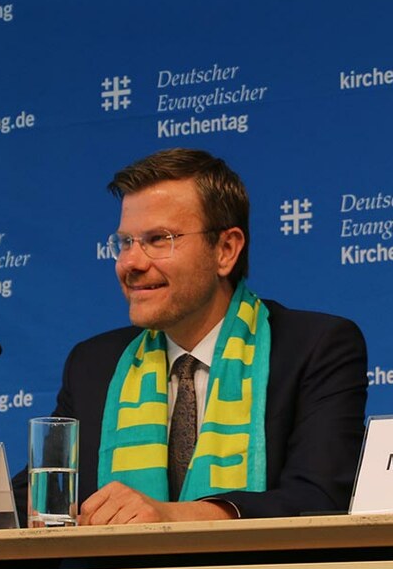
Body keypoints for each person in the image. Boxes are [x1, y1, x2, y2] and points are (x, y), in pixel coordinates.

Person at [32, 148, 367, 524]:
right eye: (125, 242)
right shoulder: (93, 364)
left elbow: (319, 499)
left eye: (158, 239)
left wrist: (174, 517)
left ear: (226, 250)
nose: (131, 263)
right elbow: (40, 497)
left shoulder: (315, 347)